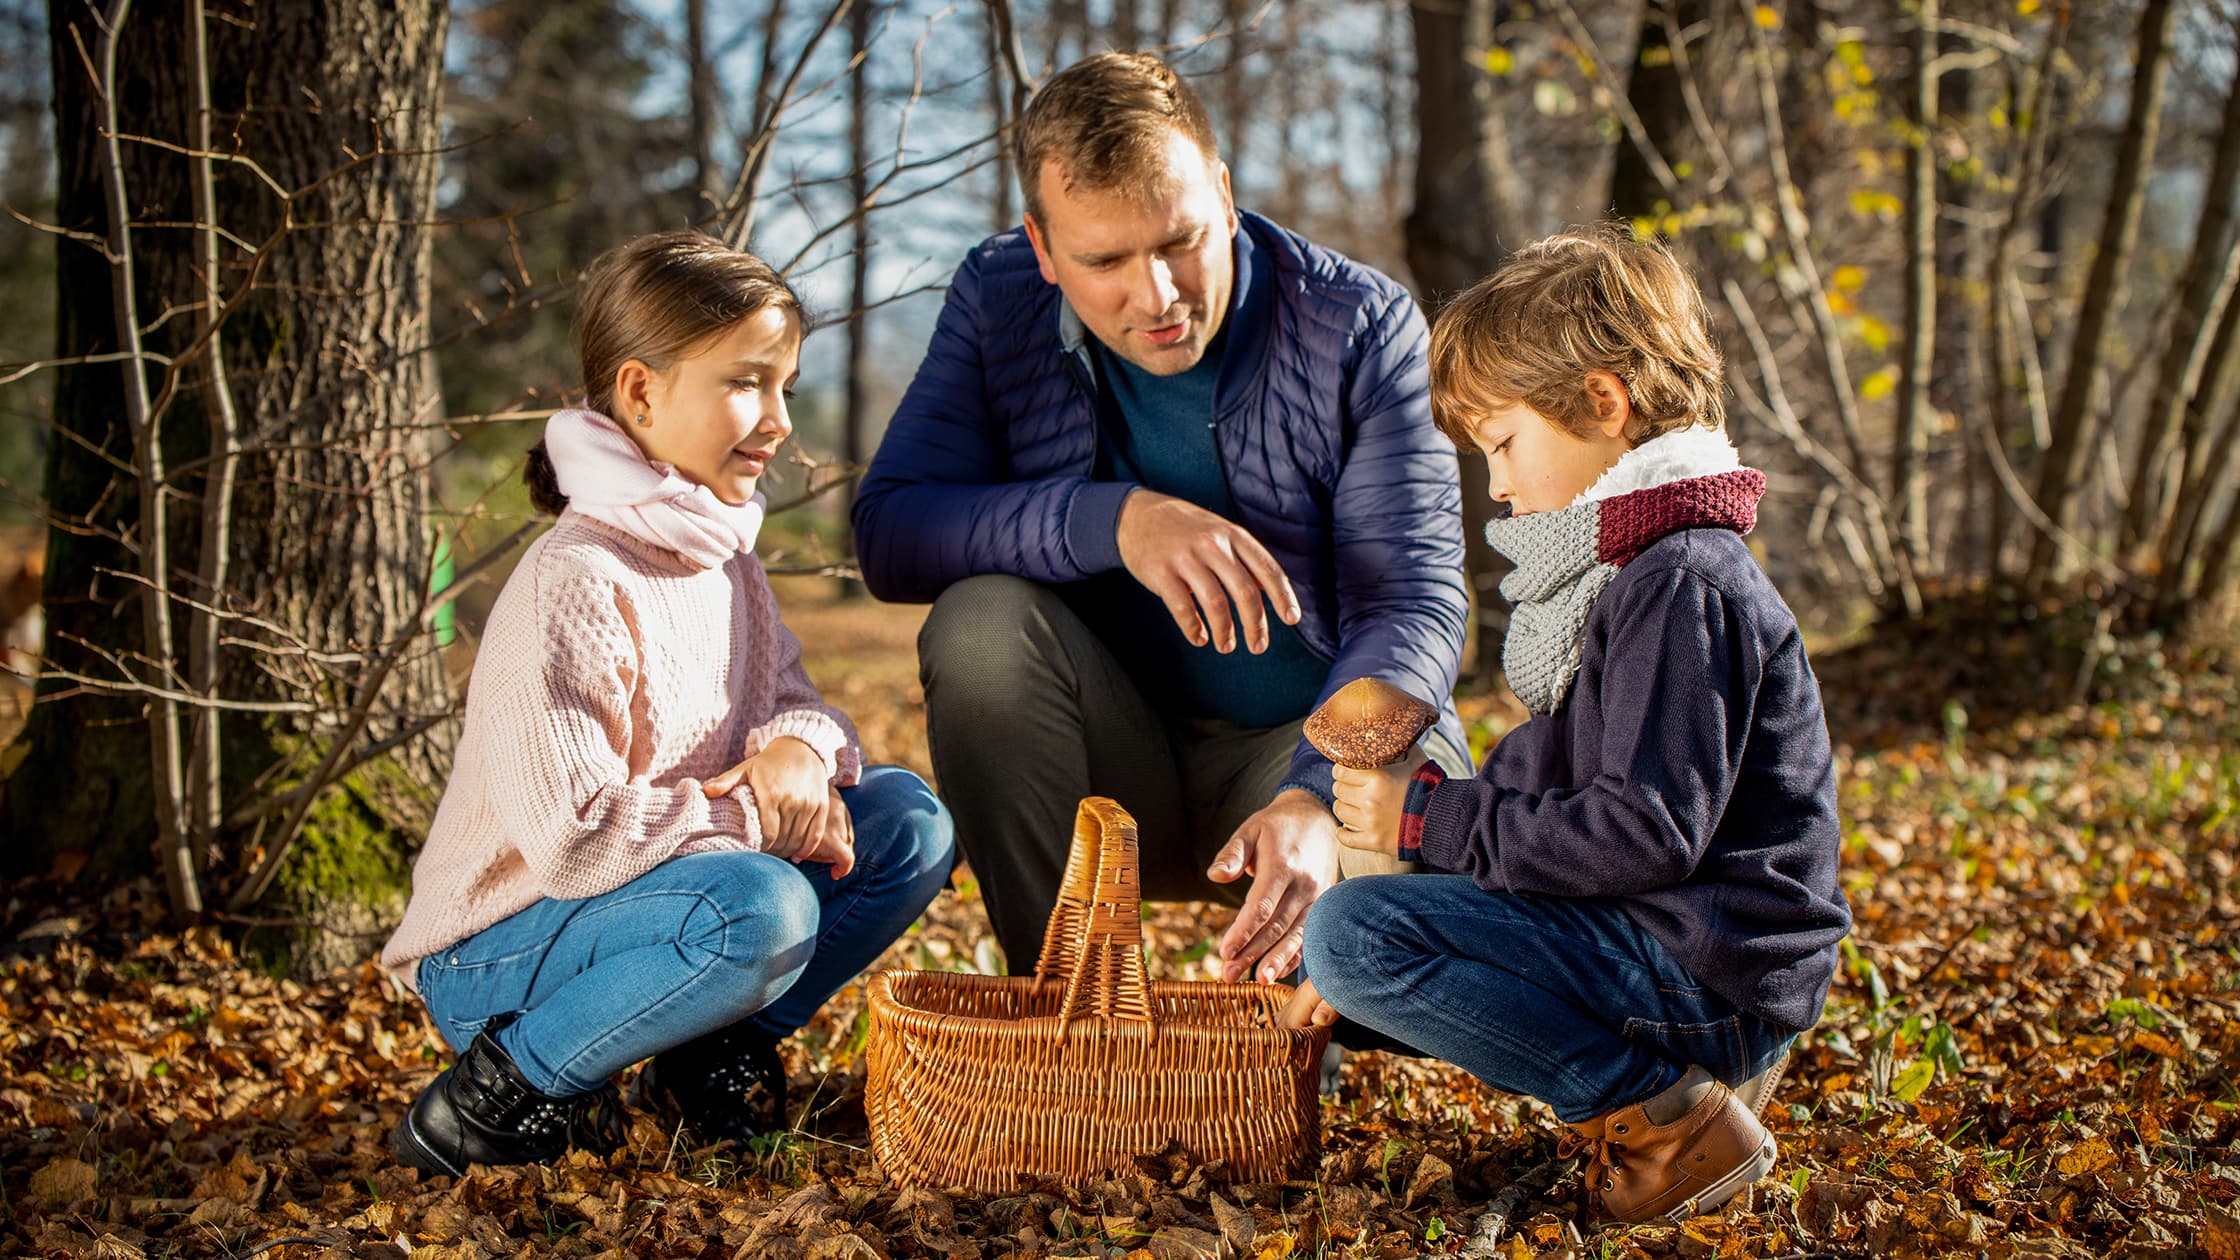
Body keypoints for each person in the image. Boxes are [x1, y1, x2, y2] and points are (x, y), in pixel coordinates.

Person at [850, 52, 1470, 985]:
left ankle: (1303, 1016)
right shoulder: (997, 297)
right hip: (1104, 763)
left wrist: (1319, 792)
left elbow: (1413, 603)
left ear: (1224, 195)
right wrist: (1112, 521)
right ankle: (1061, 1012)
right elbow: (894, 533)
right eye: (1104, 261)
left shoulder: (1358, 324)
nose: (1158, 296)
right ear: (1042, 248)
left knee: (1390, 906)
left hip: (1304, 750)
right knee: (979, 625)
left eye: (1180, 241)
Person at [1294, 226, 1851, 1225]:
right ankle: (1663, 1092)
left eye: (1503, 444)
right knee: (1356, 932)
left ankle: (1664, 1117)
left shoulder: (1678, 583)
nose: (1497, 486)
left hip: (1706, 975)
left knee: (1353, 937)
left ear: (1602, 402)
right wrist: (1421, 842)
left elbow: (1640, 831)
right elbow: (1560, 782)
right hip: (1674, 948)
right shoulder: (1627, 574)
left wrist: (1425, 821)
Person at [382, 232, 955, 1178]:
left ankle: (702, 1059)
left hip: (660, 902)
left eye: (786, 386)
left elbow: (796, 702)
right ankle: (498, 1093)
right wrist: (756, 814)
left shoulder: (722, 558)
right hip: (501, 949)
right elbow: (574, 840)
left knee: (908, 822)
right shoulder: (576, 578)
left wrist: (800, 754)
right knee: (765, 907)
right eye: (746, 383)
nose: (778, 420)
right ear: (641, 393)